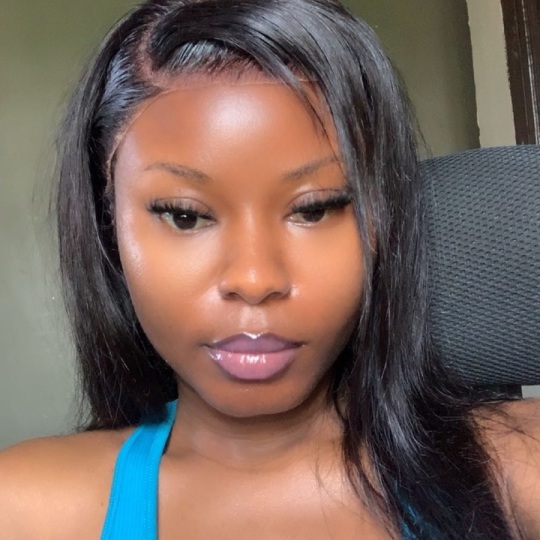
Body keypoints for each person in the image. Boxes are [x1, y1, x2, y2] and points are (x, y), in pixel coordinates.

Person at [0, 0, 539, 538]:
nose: (255, 280)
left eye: (315, 209)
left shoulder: (517, 467)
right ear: (109, 225)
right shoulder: (26, 507)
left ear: (382, 220)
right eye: (185, 215)